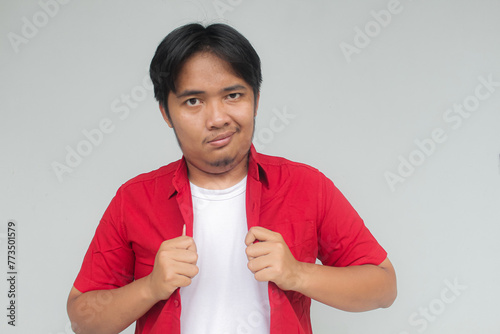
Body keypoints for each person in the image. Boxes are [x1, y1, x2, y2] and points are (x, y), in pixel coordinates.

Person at [67, 23, 397, 334]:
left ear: (256, 99)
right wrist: (150, 287)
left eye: (233, 96)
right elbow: (82, 318)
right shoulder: (135, 199)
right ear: (166, 113)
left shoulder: (306, 187)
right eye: (193, 101)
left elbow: (383, 287)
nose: (217, 118)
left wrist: (297, 273)